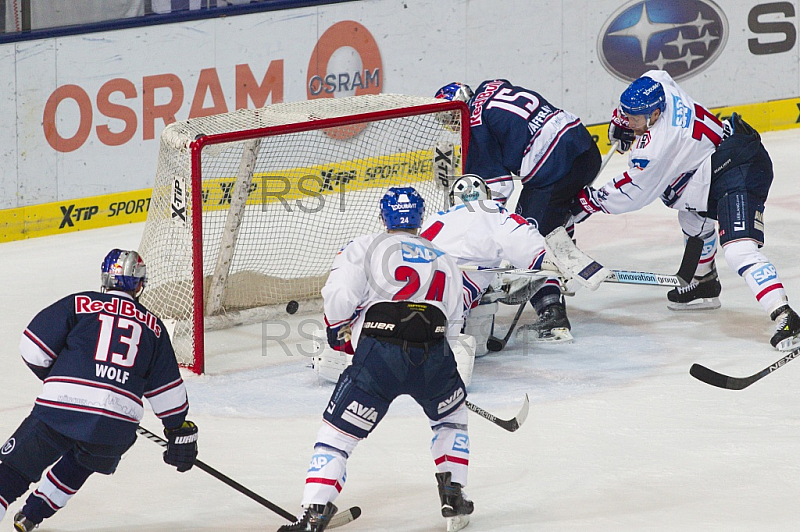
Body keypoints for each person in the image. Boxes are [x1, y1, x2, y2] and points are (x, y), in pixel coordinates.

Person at [280, 187, 474, 532]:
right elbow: (454, 321)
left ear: (383, 216)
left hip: (379, 356)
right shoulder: (445, 258)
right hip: (434, 354)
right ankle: (453, 494)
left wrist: (336, 330)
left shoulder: (364, 246)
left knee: (338, 435)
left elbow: (339, 296)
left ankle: (314, 511)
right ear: (420, 217)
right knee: (451, 419)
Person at [569, 69, 800, 351]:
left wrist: (589, 201)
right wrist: (627, 122)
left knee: (739, 250)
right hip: (721, 157)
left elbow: (634, 192)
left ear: (654, 115)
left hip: (739, 171)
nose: (629, 122)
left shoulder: (657, 146)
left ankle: (785, 314)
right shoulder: (662, 88)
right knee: (692, 218)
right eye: (627, 115)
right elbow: (656, 73)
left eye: (634, 118)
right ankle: (705, 283)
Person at [0, 249, 198, 532]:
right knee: (82, 461)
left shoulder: (80, 303)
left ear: (106, 278)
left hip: (61, 408)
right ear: (140, 284)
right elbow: (169, 396)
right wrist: (178, 430)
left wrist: (60, 378)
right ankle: (33, 514)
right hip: (118, 423)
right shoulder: (154, 328)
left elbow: (32, 349)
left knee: (13, 470)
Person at [435, 80, 602, 340]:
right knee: (551, 216)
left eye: (450, 118)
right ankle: (562, 256)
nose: (452, 125)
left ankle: (552, 315)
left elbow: (497, 191)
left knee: (527, 238)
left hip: (553, 165)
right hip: (585, 147)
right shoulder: (492, 87)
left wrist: (490, 232)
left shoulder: (475, 124)